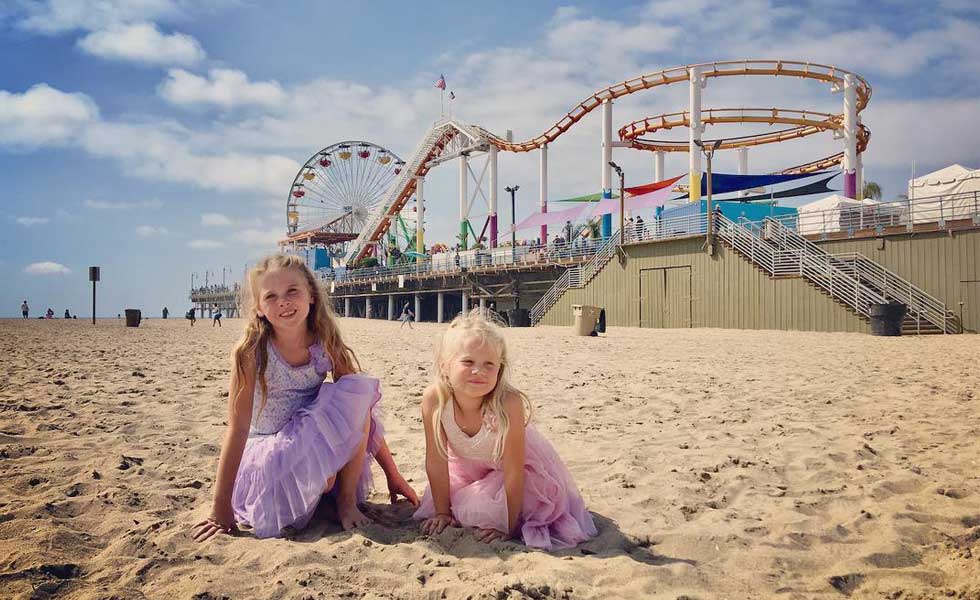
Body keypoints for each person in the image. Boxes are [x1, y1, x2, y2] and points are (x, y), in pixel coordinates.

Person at [193, 254, 417, 543]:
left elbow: (359, 411)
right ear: (259, 309)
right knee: (323, 478)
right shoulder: (250, 352)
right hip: (271, 449)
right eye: (271, 296)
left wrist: (392, 473)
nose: (283, 302)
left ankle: (345, 502)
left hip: (312, 437)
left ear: (311, 295)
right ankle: (322, 490)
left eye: (292, 291)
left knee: (353, 389)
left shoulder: (324, 339)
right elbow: (236, 429)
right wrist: (220, 509)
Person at [414, 312, 596, 550]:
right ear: (445, 366)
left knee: (497, 507)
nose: (479, 371)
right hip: (470, 472)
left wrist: (508, 526)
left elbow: (513, 469)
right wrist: (441, 512)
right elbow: (436, 460)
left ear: (499, 369)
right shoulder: (435, 400)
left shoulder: (508, 403)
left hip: (518, 473)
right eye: (468, 362)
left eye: (489, 364)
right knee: (457, 505)